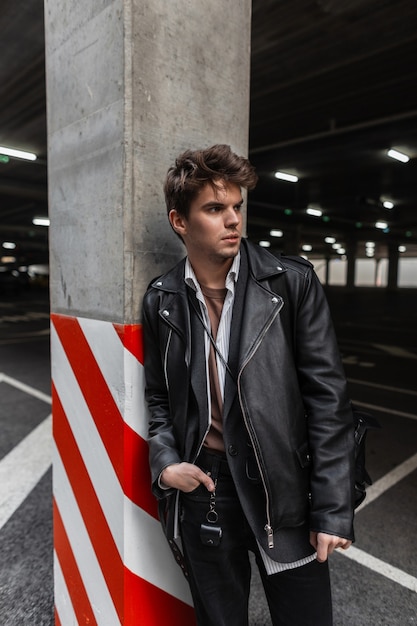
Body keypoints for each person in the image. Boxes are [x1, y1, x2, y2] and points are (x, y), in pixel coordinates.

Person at [142, 144, 355, 626]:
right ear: (180, 221)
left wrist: (333, 508)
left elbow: (329, 401)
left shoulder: (291, 283)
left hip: (284, 484)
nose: (232, 219)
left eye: (236, 206)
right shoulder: (163, 300)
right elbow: (159, 397)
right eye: (215, 209)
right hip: (206, 488)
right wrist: (166, 462)